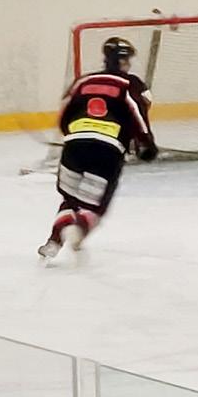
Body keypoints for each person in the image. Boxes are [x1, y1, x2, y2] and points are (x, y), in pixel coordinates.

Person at [38, 37, 157, 260]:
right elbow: (137, 110)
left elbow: (65, 113)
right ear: (125, 61)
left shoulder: (83, 81)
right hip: (108, 149)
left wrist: (73, 135)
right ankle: (78, 229)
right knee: (95, 204)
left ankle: (54, 241)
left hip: (75, 145)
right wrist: (146, 142)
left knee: (70, 199)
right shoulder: (129, 83)